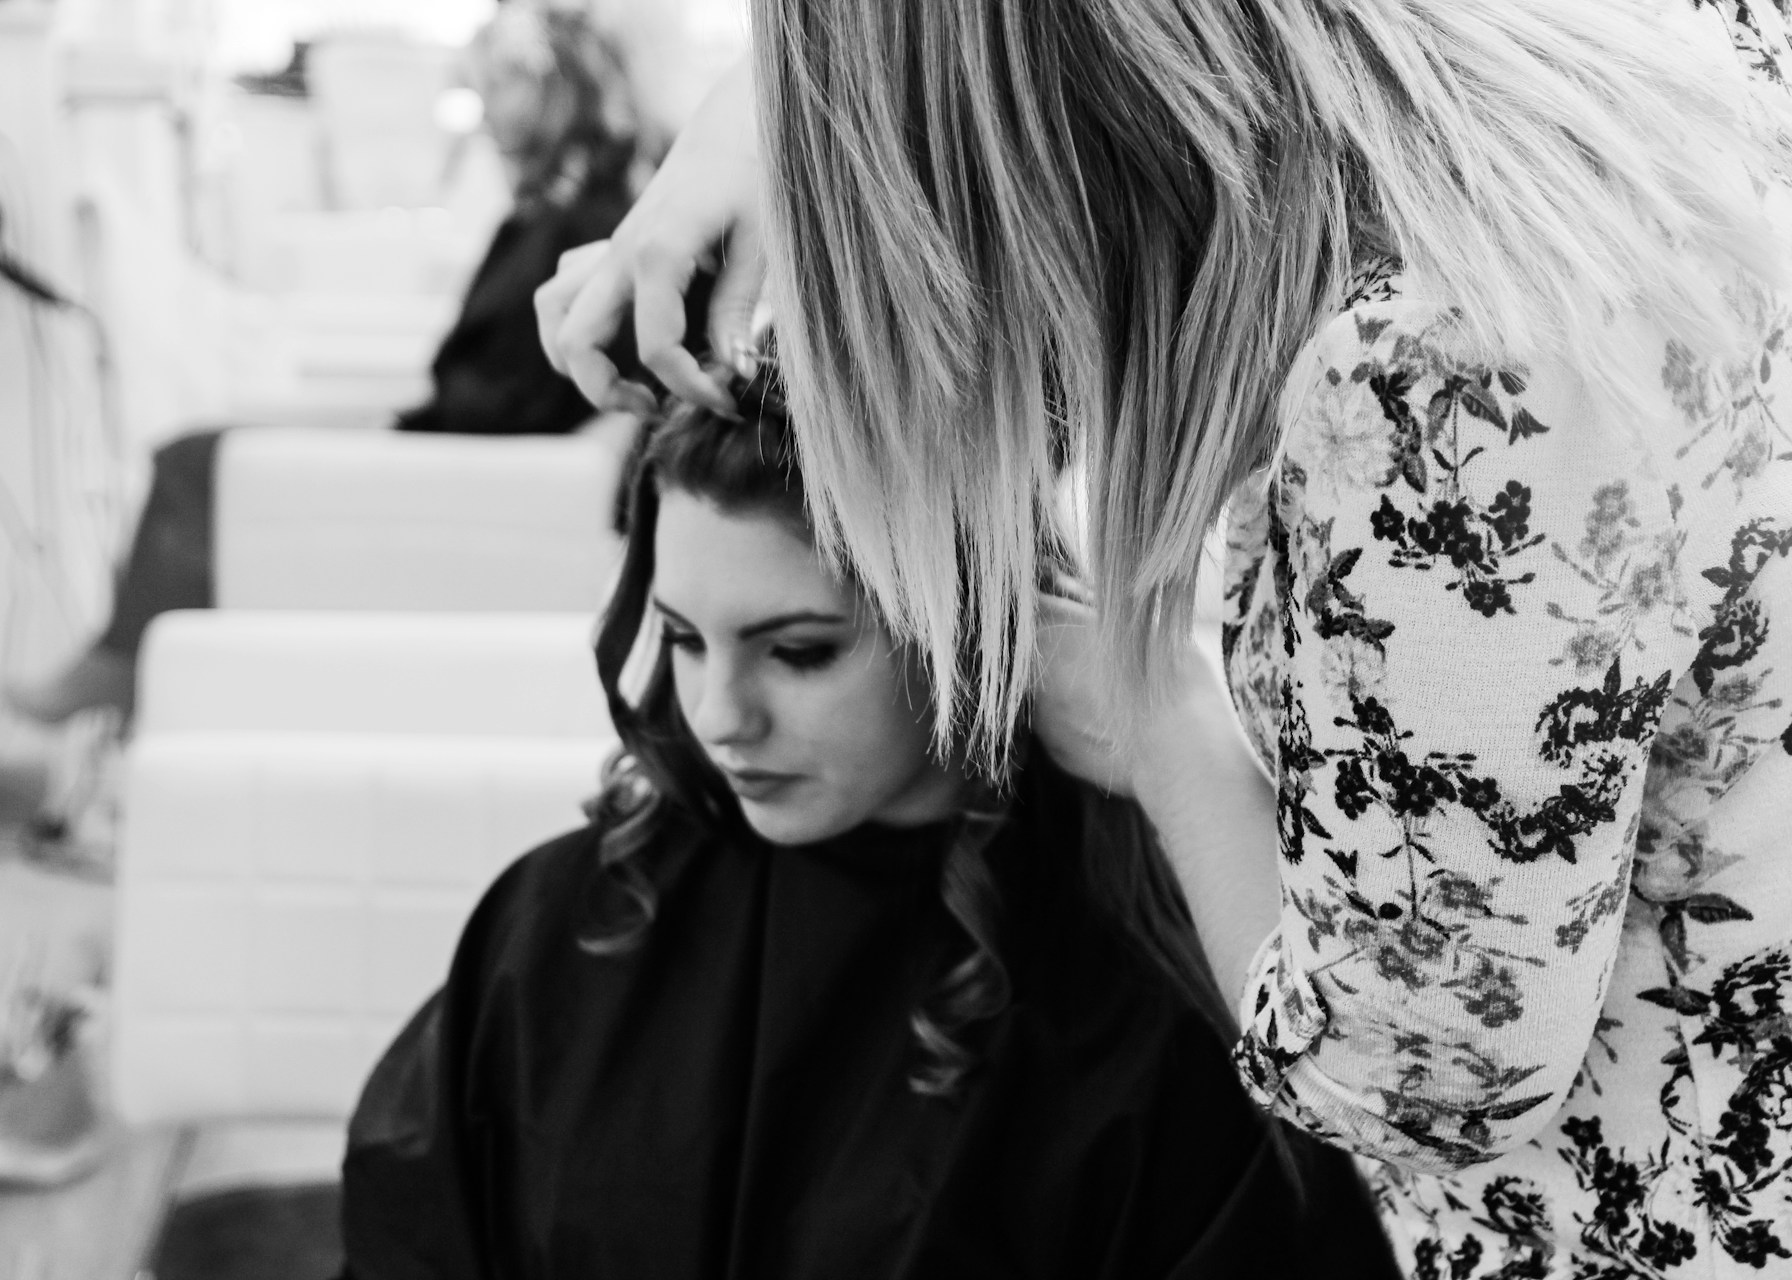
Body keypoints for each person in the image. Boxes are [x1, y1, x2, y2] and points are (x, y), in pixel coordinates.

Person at [534, 2, 1792, 1275]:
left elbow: (1421, 1081)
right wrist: (769, 116)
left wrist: (1157, 719)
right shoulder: (1688, 67)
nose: (721, 712)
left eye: (802, 647)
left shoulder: (1442, 360)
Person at [336, 364, 1399, 1279]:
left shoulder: (1129, 1009)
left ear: (966, 625)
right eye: (684, 638)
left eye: (798, 650)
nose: (720, 717)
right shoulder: (567, 920)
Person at [6, 2, 652, 724]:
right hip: (454, 449)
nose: (483, 110)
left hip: (470, 477)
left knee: (191, 466)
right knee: (197, 452)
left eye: (500, 87)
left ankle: (122, 672)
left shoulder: (587, 228)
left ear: (553, 91)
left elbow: (516, 398)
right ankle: (129, 674)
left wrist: (401, 422)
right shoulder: (556, 215)